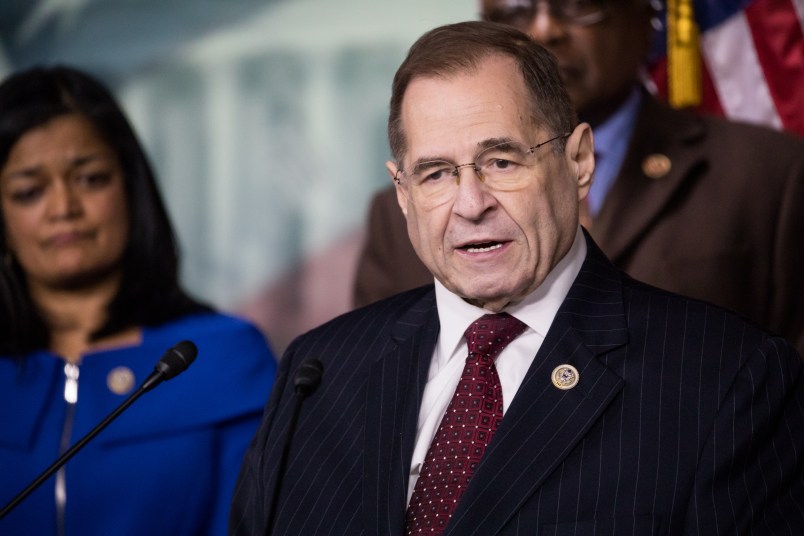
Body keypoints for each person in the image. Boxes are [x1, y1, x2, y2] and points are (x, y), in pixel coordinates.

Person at [231, 21, 804, 535]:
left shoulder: (729, 379)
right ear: (402, 192)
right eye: (435, 174)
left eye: (501, 161)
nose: (470, 203)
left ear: (579, 160)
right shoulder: (319, 374)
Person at [352, 0, 804, 357]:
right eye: (514, 10)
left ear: (648, 17)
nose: (545, 29)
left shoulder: (769, 173)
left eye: (578, 4)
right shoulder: (399, 218)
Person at [0, 66, 277, 535]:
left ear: (131, 189)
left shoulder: (223, 357)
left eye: (89, 179)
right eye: (30, 191)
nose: (63, 207)